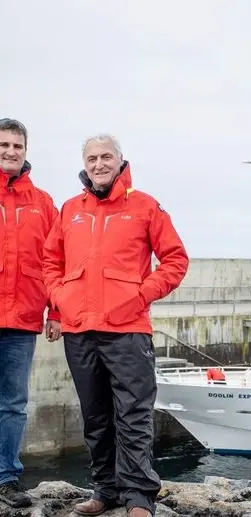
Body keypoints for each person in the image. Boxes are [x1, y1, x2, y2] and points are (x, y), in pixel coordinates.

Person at [43, 134, 189, 517]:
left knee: (133, 415)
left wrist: (141, 295)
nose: (99, 163)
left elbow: (175, 260)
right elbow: (50, 262)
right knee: (95, 415)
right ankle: (105, 489)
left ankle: (139, 495)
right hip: (79, 329)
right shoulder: (70, 209)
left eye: (106, 156)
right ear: (84, 164)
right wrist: (59, 298)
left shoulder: (144, 206)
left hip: (127, 328)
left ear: (120, 160)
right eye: (92, 158)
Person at [0, 118, 61, 508]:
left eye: (16, 146)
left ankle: (6, 477)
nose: (9, 152)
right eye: (3, 145)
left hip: (22, 321)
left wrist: (56, 310)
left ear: (26, 150)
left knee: (12, 405)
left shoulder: (43, 204)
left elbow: (58, 261)